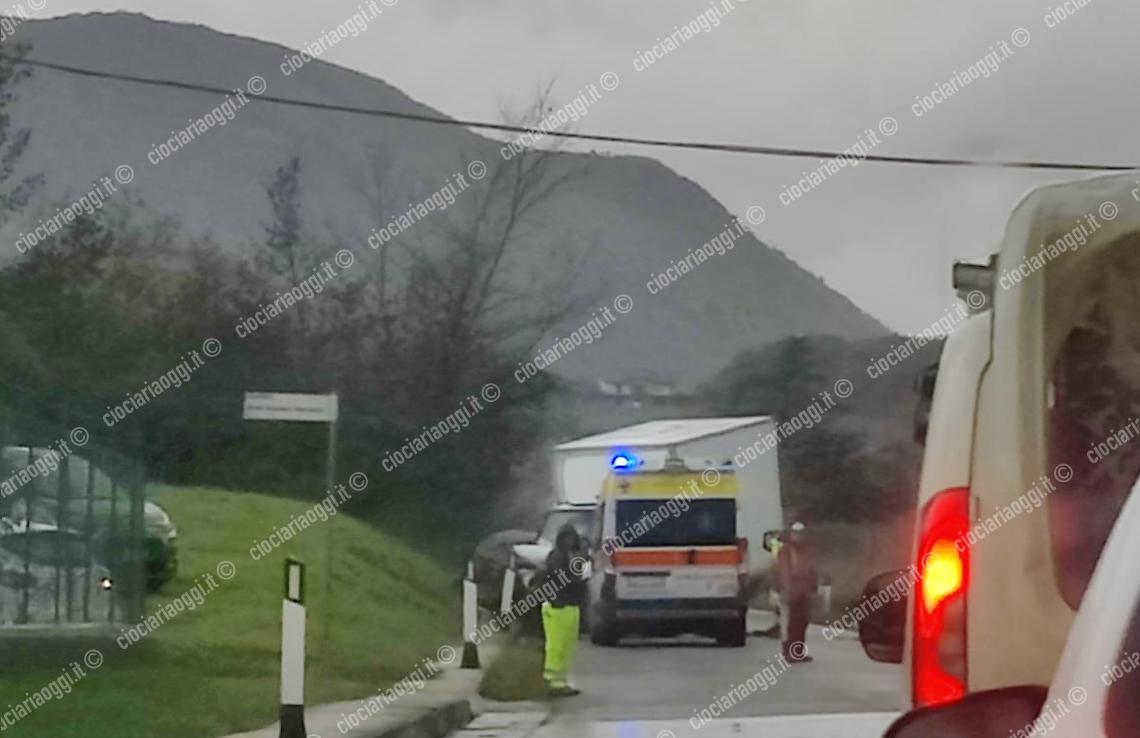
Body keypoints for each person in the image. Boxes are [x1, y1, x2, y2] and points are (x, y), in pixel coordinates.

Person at [541, 523, 587, 696]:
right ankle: (552, 681)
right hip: (557, 605)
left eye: (572, 538)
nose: (570, 541)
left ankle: (561, 680)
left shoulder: (569, 556)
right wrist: (577, 578)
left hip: (570, 605)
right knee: (556, 645)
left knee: (567, 646)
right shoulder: (556, 557)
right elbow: (561, 578)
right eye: (567, 537)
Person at [776, 521, 817, 663]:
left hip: (804, 592)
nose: (798, 536)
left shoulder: (807, 550)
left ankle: (798, 652)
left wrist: (813, 587)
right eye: (796, 533)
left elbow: (811, 570)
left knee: (802, 623)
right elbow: (784, 572)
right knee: (790, 624)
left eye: (800, 533)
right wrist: (786, 591)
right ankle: (789, 652)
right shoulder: (786, 551)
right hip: (791, 592)